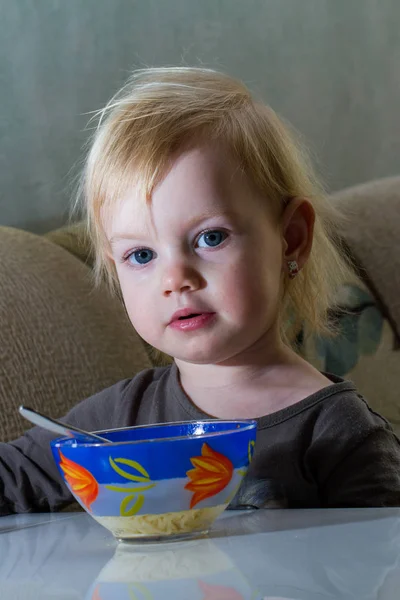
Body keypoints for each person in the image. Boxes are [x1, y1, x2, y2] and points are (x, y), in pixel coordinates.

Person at [1, 67, 399, 516]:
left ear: (291, 238)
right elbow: (12, 478)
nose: (175, 279)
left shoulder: (339, 433)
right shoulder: (121, 420)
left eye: (210, 238)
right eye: (142, 256)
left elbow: (378, 567)